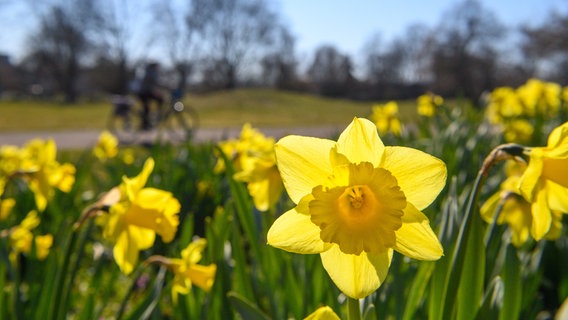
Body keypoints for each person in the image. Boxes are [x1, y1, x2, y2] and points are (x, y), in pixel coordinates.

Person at [136, 62, 164, 130]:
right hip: (145, 93)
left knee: (147, 108)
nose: (158, 68)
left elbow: (153, 85)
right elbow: (156, 82)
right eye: (157, 67)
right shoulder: (151, 73)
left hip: (145, 93)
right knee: (160, 100)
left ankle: (146, 124)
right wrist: (170, 86)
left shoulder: (149, 72)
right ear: (154, 67)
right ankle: (157, 115)